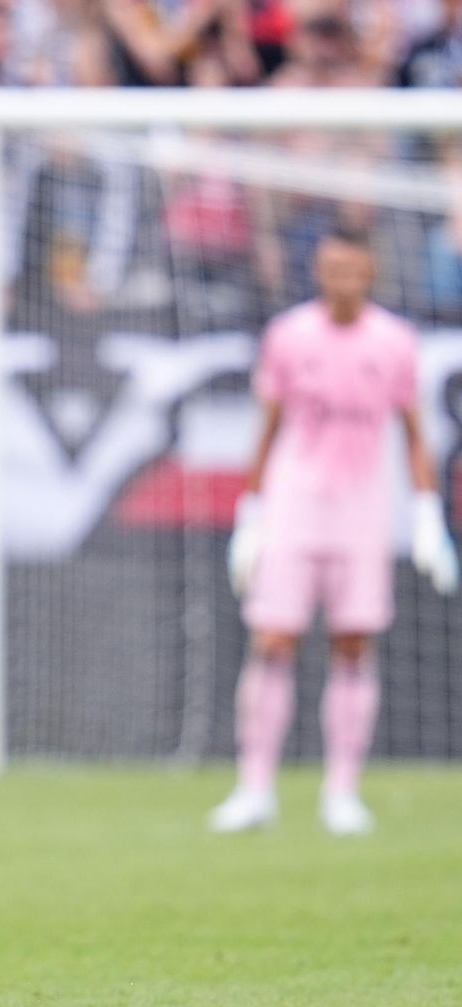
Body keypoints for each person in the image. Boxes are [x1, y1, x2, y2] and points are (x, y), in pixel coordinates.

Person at [215, 227, 458, 837]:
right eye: (330, 268)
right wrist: (250, 515)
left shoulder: (395, 342)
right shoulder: (288, 336)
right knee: (273, 639)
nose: (341, 279)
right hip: (294, 508)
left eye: (352, 268)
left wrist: (428, 516)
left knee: (352, 643)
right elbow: (268, 428)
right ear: (317, 270)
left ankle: (342, 790)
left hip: (362, 512)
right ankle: (254, 787)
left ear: (369, 271)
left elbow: (412, 434)